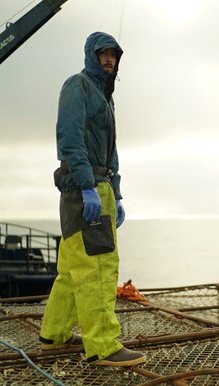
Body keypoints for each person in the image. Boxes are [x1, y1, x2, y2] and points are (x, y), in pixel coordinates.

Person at [39, 31, 146, 367]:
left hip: (100, 187)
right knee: (99, 268)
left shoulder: (105, 96)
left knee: (72, 269)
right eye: (104, 54)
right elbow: (69, 140)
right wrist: (88, 186)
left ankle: (53, 335)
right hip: (85, 188)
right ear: (90, 55)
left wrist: (117, 193)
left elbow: (110, 152)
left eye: (114, 55)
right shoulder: (78, 86)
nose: (110, 60)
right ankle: (102, 346)